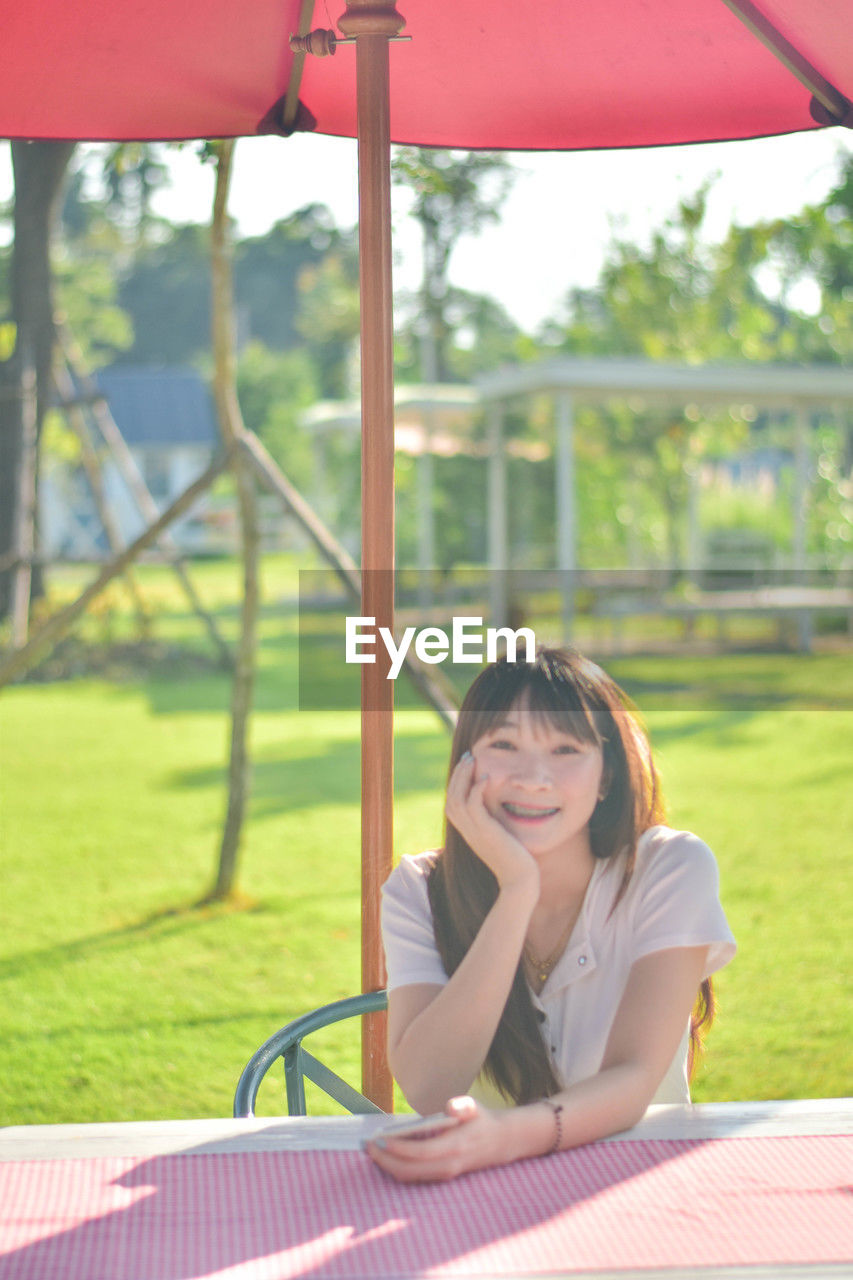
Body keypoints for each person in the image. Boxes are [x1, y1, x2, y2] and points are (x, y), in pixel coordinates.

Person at [367, 646, 736, 1183]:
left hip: (638, 1183)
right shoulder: (418, 890)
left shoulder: (669, 867)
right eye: (504, 744)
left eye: (566, 749)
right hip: (481, 1195)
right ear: (464, 763)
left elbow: (633, 1075)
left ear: (606, 776)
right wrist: (517, 890)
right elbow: (429, 1088)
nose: (533, 777)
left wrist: (505, 1137)